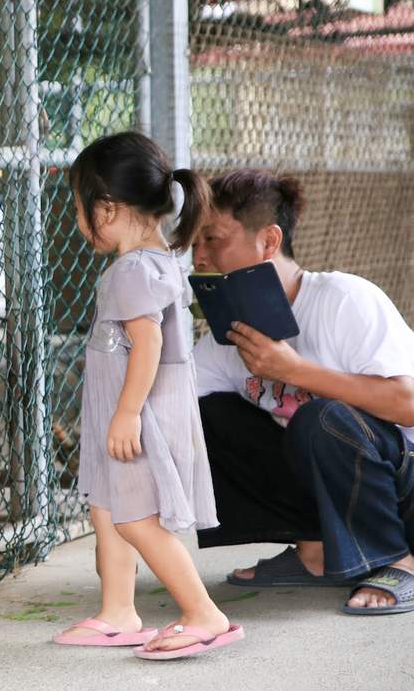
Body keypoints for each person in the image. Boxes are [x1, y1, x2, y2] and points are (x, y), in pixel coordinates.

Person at [53, 131, 243, 658]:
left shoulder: (132, 270)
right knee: (108, 507)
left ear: (107, 208)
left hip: (138, 410)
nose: (76, 222)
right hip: (127, 405)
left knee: (136, 517)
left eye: (78, 209)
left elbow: (148, 341)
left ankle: (203, 614)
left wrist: (127, 414)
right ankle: (118, 613)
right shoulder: (157, 262)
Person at [192, 169, 414, 614]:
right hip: (341, 491)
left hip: (404, 488)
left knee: (322, 418)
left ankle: (398, 560)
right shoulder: (228, 337)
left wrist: (296, 371)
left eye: (212, 240)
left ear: (269, 242)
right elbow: (170, 407)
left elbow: (407, 405)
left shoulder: (345, 298)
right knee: (201, 414)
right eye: (193, 244)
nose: (199, 258)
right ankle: (315, 553)